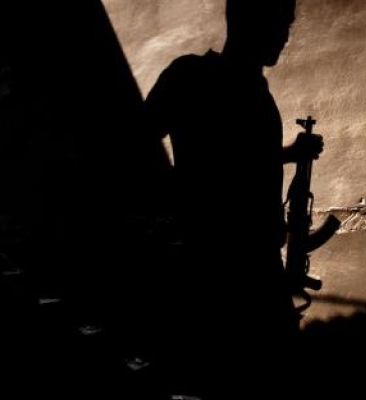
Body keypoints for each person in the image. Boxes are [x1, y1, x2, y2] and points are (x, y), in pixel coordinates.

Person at [141, 0, 323, 398]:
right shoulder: (191, 75)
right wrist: (175, 207)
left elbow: (237, 160)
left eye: (287, 24)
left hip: (256, 267)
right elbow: (137, 143)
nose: (285, 36)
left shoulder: (255, 91)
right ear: (244, 22)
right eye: (278, 23)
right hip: (215, 269)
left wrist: (288, 155)